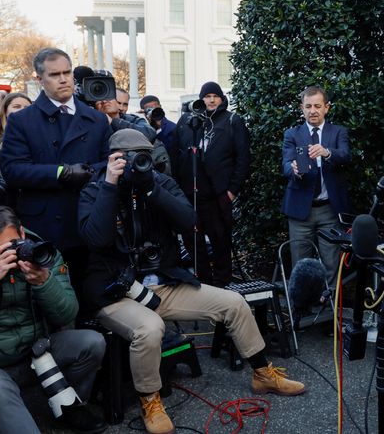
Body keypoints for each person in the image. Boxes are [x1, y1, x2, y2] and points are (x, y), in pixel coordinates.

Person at [79, 129, 304, 434]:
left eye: (142, 156)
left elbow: (189, 221)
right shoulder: (95, 188)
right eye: (129, 158)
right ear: (113, 158)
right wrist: (110, 184)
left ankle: (263, 373)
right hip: (116, 293)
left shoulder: (159, 182)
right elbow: (96, 237)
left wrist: (152, 189)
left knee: (234, 303)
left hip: (164, 284)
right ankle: (151, 400)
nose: (136, 164)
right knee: (150, 328)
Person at [0, 48, 111, 298]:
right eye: (54, 74)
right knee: (48, 299)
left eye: (67, 72)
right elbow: (13, 170)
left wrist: (89, 172)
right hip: (43, 226)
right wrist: (61, 172)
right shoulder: (22, 121)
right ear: (40, 80)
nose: (63, 79)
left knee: (87, 298)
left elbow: (107, 165)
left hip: (85, 222)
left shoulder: (95, 119)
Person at [0, 206, 107, 433]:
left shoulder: (42, 253)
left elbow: (68, 313)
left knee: (91, 343)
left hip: (38, 350)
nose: (8, 255)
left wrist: (43, 282)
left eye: (12, 246)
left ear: (21, 233)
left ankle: (68, 407)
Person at [170, 82, 250, 287]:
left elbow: (243, 159)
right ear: (201, 99)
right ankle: (203, 282)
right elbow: (176, 155)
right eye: (207, 96)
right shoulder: (187, 121)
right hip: (189, 193)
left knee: (220, 240)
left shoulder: (232, 121)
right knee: (193, 241)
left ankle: (222, 283)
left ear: (222, 99)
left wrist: (231, 192)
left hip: (218, 195)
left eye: (216, 96)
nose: (211, 100)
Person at [281, 86, 351, 285]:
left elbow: (346, 155)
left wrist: (327, 152)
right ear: (301, 108)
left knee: (331, 262)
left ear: (326, 108)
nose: (313, 110)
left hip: (329, 209)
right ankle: (301, 305)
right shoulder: (292, 135)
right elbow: (285, 165)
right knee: (300, 263)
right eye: (308, 106)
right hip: (300, 210)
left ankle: (327, 303)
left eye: (317, 106)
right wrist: (293, 169)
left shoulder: (338, 132)